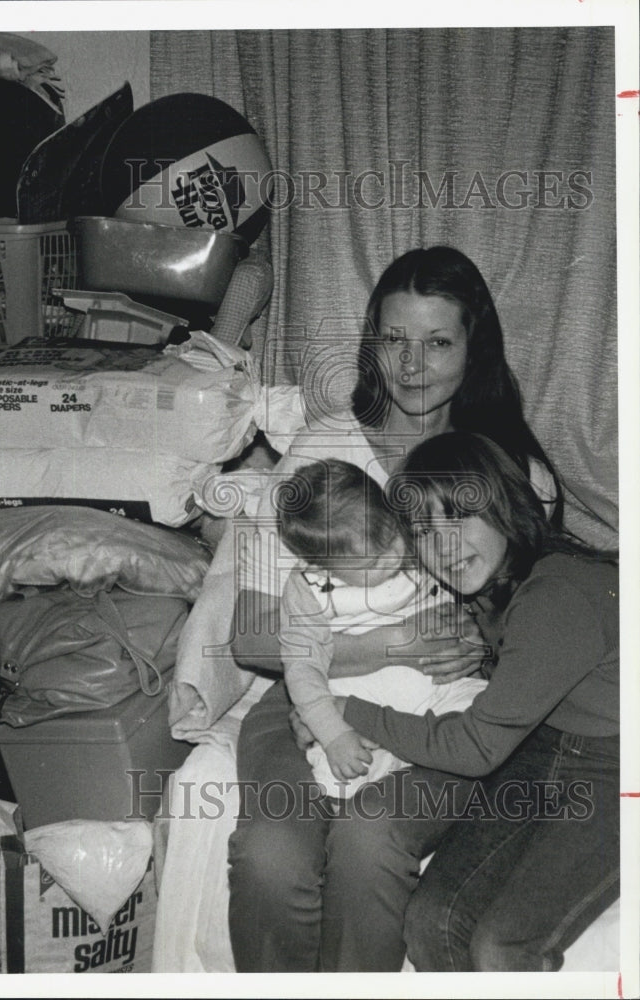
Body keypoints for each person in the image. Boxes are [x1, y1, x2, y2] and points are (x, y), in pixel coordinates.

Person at [227, 245, 563, 972]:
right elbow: (250, 637)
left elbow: (538, 639)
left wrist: (467, 649)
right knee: (268, 856)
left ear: (475, 351)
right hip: (309, 694)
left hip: (446, 710)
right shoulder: (323, 452)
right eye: (393, 339)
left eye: (437, 342)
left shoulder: (513, 471)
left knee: (368, 838)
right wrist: (386, 647)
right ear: (369, 344)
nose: (411, 365)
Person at [324, 430, 618, 972]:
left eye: (458, 517)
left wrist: (345, 713)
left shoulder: (558, 594)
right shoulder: (492, 589)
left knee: (500, 946)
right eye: (424, 532)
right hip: (545, 748)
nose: (445, 548)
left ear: (504, 505)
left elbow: (473, 748)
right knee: (432, 920)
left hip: (618, 767)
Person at [275, 458, 487, 798]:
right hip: (363, 708)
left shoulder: (415, 539)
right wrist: (333, 734)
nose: (393, 556)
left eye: (391, 538)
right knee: (337, 778)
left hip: (442, 690)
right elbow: (301, 669)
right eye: (373, 562)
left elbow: (465, 596)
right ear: (324, 566)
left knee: (483, 725)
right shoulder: (308, 590)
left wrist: (467, 627)